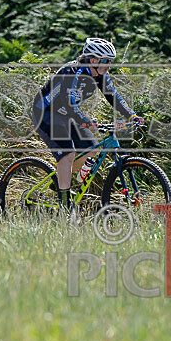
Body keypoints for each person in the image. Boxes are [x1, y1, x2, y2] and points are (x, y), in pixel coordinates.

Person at [31, 37, 144, 212]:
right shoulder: (72, 72)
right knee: (68, 154)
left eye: (110, 61)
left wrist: (132, 115)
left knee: (91, 150)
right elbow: (68, 104)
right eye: (105, 61)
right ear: (93, 60)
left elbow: (113, 96)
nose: (109, 65)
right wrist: (85, 121)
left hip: (66, 114)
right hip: (45, 113)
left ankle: (60, 184)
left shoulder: (100, 75)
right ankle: (64, 203)